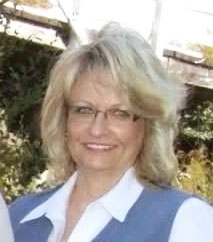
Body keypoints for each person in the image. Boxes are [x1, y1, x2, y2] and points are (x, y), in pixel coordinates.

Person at [9, 22, 213, 242]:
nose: (97, 129)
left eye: (120, 113)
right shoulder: (17, 218)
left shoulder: (183, 221)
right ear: (63, 119)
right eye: (84, 110)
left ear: (149, 123)